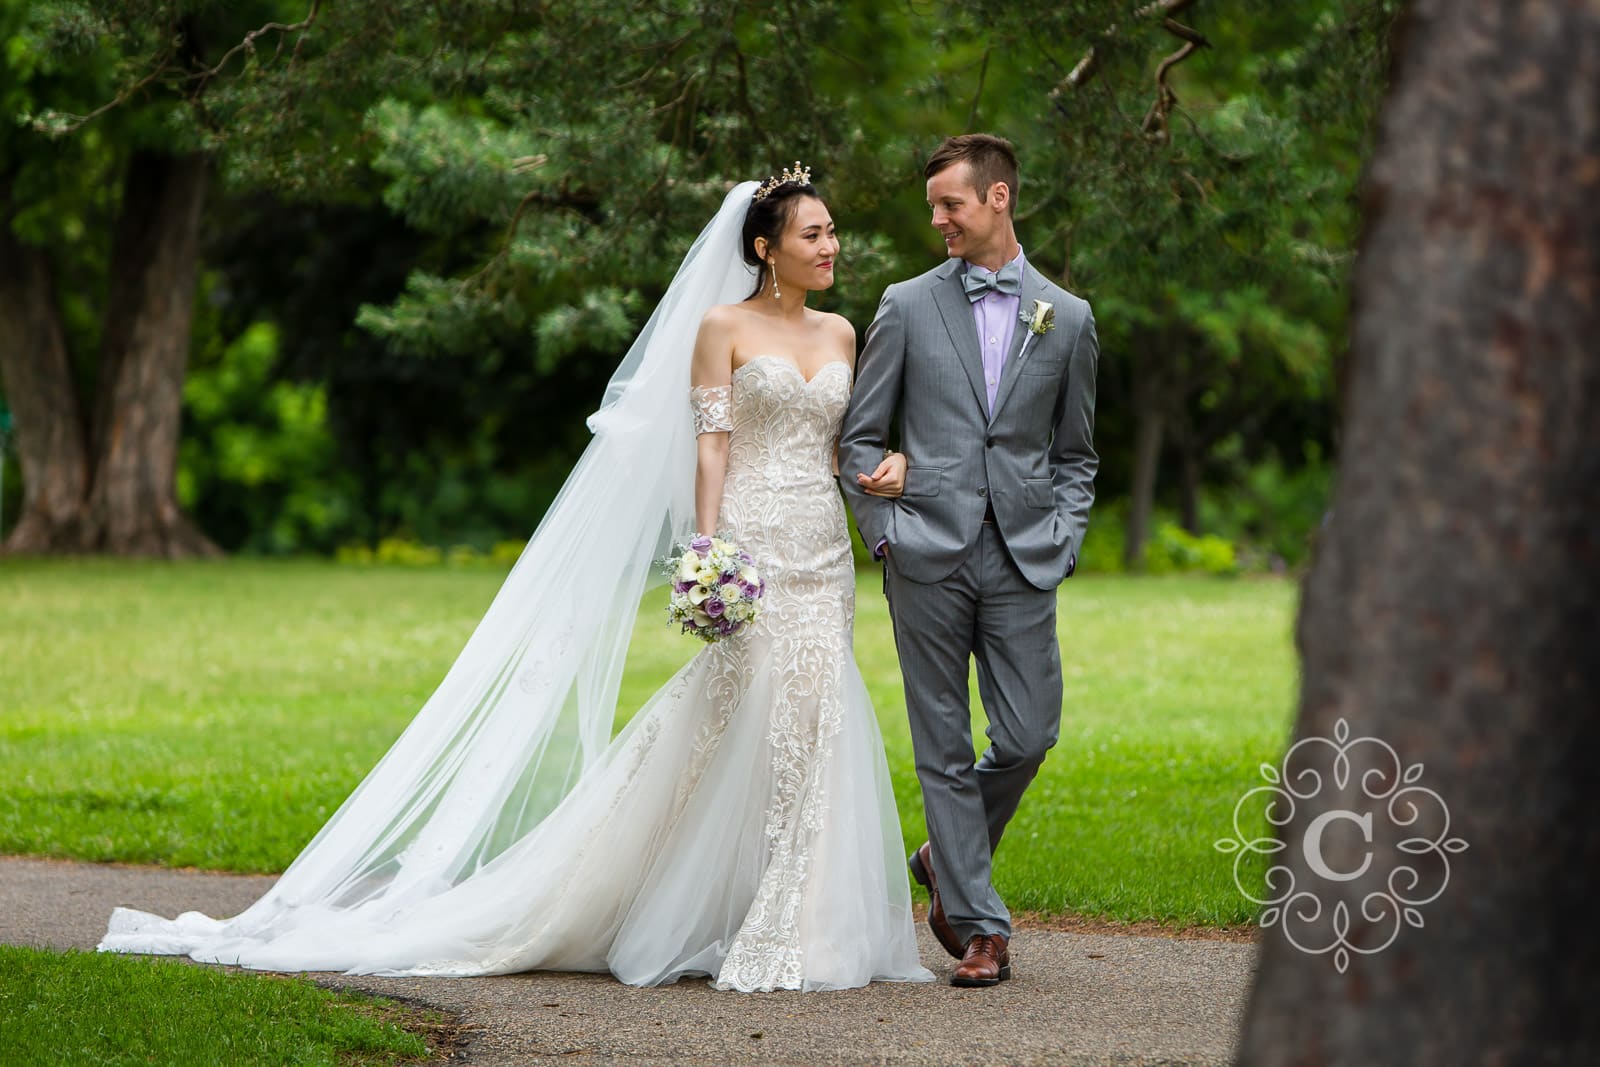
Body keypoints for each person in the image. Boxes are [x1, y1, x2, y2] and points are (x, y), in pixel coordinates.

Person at [99, 170, 933, 993]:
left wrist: (881, 474)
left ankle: (800, 920)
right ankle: (644, 895)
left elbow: (833, 450)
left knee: (817, 711)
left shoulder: (841, 333)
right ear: (766, 247)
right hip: (750, 544)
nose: (831, 246)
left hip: (823, 552)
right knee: (740, 710)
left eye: (831, 232)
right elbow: (712, 444)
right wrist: (706, 551)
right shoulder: (721, 325)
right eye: (812, 233)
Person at [839, 134, 1099, 987]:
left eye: (950, 204)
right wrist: (885, 533)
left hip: (1025, 556)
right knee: (941, 744)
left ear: (997, 199)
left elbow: (1077, 454)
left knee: (1029, 734)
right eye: (933, 208)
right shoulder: (907, 305)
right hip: (925, 554)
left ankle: (943, 858)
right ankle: (982, 928)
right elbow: (858, 440)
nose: (939, 221)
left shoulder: (1069, 316)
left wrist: (1063, 536)